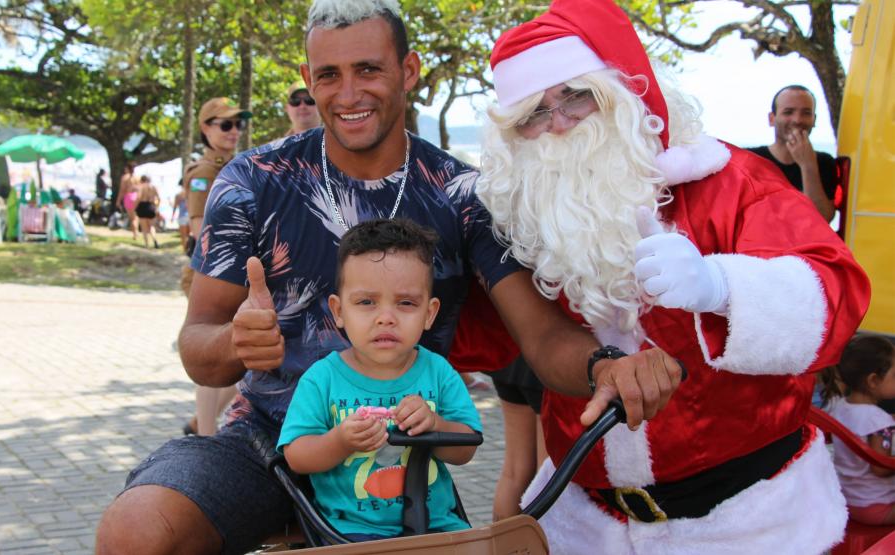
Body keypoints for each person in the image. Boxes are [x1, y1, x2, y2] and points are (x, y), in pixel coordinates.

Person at [96, 2, 681, 553]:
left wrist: (605, 365)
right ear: (307, 76)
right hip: (270, 441)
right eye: (328, 75)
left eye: (368, 70)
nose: (348, 95)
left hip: (407, 458)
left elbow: (542, 336)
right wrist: (235, 342)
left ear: (409, 70)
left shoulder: (465, 196)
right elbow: (198, 346)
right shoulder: (252, 181)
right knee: (138, 528)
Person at [476, 0, 870, 552]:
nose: (559, 125)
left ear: (623, 92)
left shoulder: (731, 181)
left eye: (576, 96)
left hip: (749, 525)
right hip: (588, 527)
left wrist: (723, 287)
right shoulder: (527, 218)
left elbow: (837, 293)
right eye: (535, 114)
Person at [278, 218, 480, 541]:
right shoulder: (322, 380)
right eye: (366, 302)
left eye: (406, 303)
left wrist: (435, 425)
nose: (386, 317)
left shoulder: (438, 372)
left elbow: (466, 447)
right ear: (338, 310)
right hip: (349, 533)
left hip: (437, 526)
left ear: (429, 313)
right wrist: (340, 441)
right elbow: (296, 456)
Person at [180, 96, 252, 437]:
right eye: (225, 124)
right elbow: (198, 225)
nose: (234, 131)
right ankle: (206, 434)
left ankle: (200, 423)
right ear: (205, 129)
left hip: (237, 273)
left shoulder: (236, 166)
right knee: (214, 355)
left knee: (243, 358)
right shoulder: (204, 173)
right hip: (213, 273)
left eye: (238, 124)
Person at [826, 335, 895, 526]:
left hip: (848, 501)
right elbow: (881, 468)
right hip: (879, 506)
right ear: (873, 380)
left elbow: (865, 424)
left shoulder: (839, 407)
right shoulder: (879, 422)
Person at [748, 85, 837, 222]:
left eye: (806, 113)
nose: (797, 120)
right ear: (772, 118)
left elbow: (822, 220)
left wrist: (808, 166)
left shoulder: (824, 162)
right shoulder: (751, 160)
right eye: (788, 112)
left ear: (814, 119)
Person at [489, 355, 547, 521]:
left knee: (514, 472)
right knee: (547, 475)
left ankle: (500, 545)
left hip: (511, 358)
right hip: (550, 365)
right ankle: (542, 545)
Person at [134, 175, 160, 249]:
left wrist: (135, 207)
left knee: (144, 227)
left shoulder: (141, 187)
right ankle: (154, 239)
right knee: (152, 226)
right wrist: (157, 207)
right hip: (151, 206)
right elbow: (158, 198)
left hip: (142, 206)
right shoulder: (153, 187)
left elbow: (138, 198)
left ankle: (146, 244)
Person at [116, 162, 140, 241]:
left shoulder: (125, 178)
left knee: (132, 217)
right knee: (136, 216)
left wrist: (118, 200)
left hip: (128, 197)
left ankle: (135, 233)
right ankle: (136, 231)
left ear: (127, 169)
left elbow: (122, 190)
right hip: (136, 197)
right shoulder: (138, 177)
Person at [172, 180, 190, 253]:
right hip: (190, 216)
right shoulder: (190, 193)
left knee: (183, 236)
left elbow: (175, 207)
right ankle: (190, 250)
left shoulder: (178, 195)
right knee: (190, 236)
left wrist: (172, 217)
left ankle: (184, 251)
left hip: (182, 216)